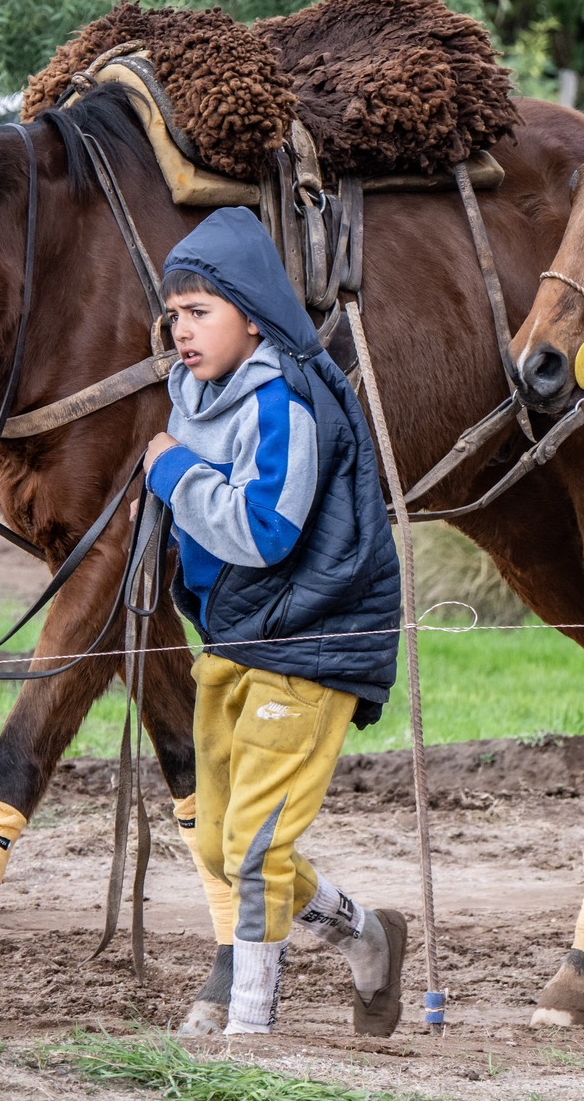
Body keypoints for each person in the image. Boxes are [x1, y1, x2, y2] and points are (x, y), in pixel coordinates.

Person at [144, 206, 406, 1036]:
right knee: (225, 847)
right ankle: (365, 934)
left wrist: (173, 472)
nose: (183, 331)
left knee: (254, 846)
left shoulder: (282, 406)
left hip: (308, 642)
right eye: (175, 314)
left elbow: (265, 530)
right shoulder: (198, 394)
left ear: (251, 314)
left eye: (201, 312)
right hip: (235, 641)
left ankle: (249, 1030)